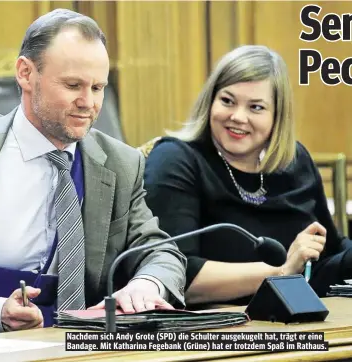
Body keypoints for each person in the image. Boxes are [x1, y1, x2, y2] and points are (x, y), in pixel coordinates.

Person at [0, 9, 186, 343]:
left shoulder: (120, 164)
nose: (89, 103)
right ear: (26, 73)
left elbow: (160, 251)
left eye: (98, 87)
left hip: (80, 346)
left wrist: (148, 283)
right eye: (73, 85)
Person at [144, 45, 352, 307]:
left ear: (278, 117)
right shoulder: (176, 159)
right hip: (214, 328)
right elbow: (172, 273)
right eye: (227, 101)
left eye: (256, 107)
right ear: (210, 101)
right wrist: (282, 272)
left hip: (295, 319)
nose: (238, 117)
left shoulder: (294, 161)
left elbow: (328, 251)